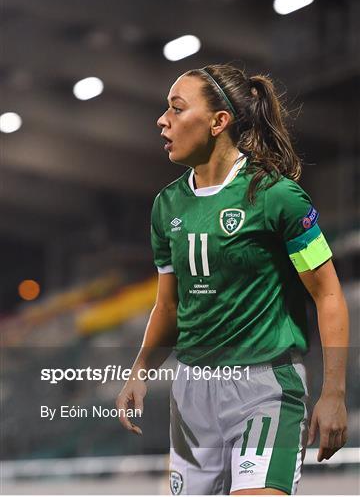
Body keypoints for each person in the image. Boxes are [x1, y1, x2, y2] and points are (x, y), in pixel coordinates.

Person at [116, 64, 348, 495]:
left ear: (219, 121)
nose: (162, 120)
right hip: (192, 395)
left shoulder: (277, 196)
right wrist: (140, 371)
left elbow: (329, 293)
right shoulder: (166, 207)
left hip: (264, 390)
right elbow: (168, 307)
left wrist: (334, 392)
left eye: (176, 108)